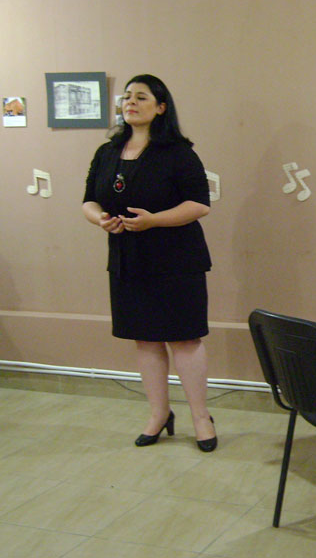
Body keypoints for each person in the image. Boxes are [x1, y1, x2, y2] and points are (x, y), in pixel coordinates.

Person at [82, 74, 217, 452]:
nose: (131, 102)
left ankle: (201, 417)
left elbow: (199, 205)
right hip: (129, 259)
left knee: (184, 338)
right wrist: (100, 219)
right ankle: (159, 414)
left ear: (160, 108)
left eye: (141, 97)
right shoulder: (107, 152)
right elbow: (89, 200)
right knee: (145, 339)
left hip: (177, 259)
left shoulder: (179, 153)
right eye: (127, 97)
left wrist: (154, 220)